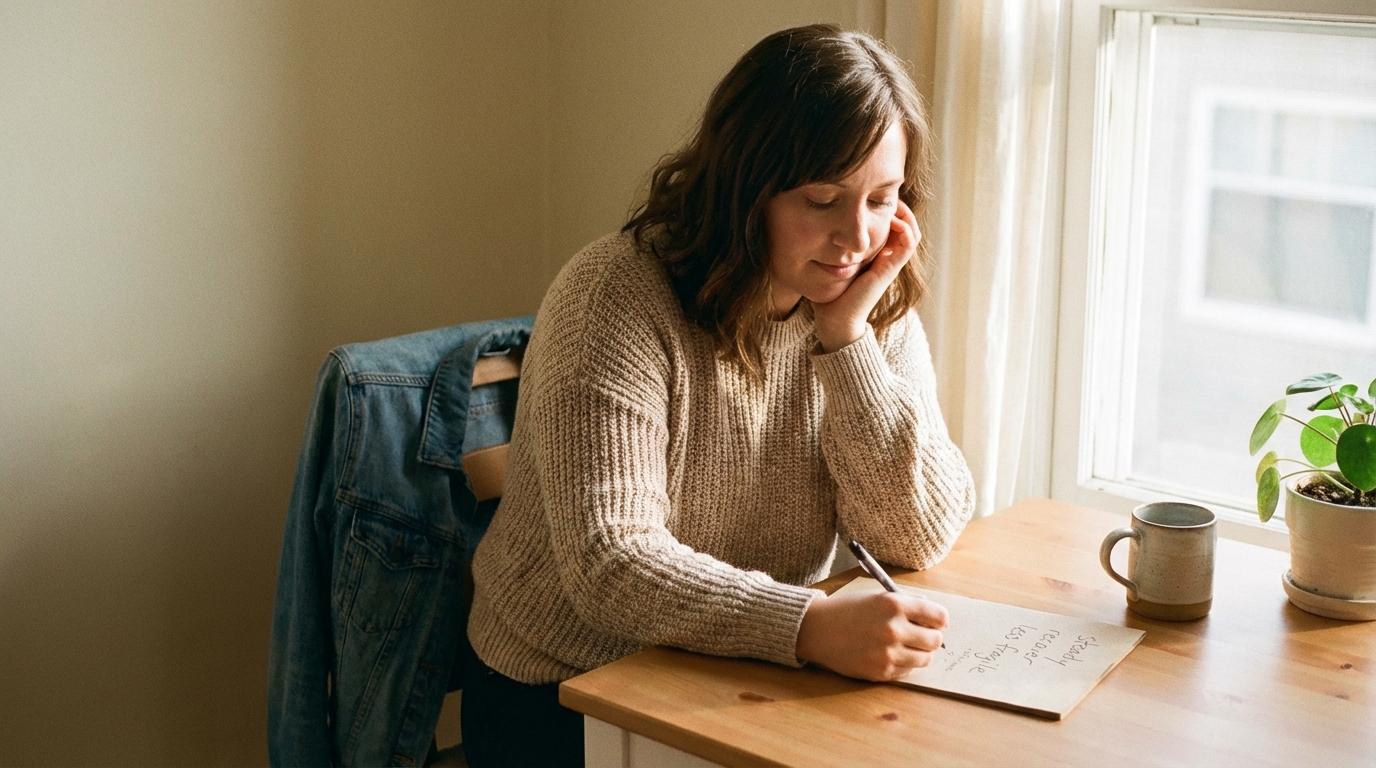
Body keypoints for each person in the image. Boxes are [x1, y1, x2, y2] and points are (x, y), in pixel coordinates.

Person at [460, 23, 976, 767]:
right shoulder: (614, 295)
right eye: (823, 199)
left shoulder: (864, 298)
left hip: (744, 662)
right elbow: (613, 560)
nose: (856, 236)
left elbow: (916, 534)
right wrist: (809, 625)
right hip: (570, 684)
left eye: (882, 198)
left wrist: (848, 342)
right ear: (747, 188)